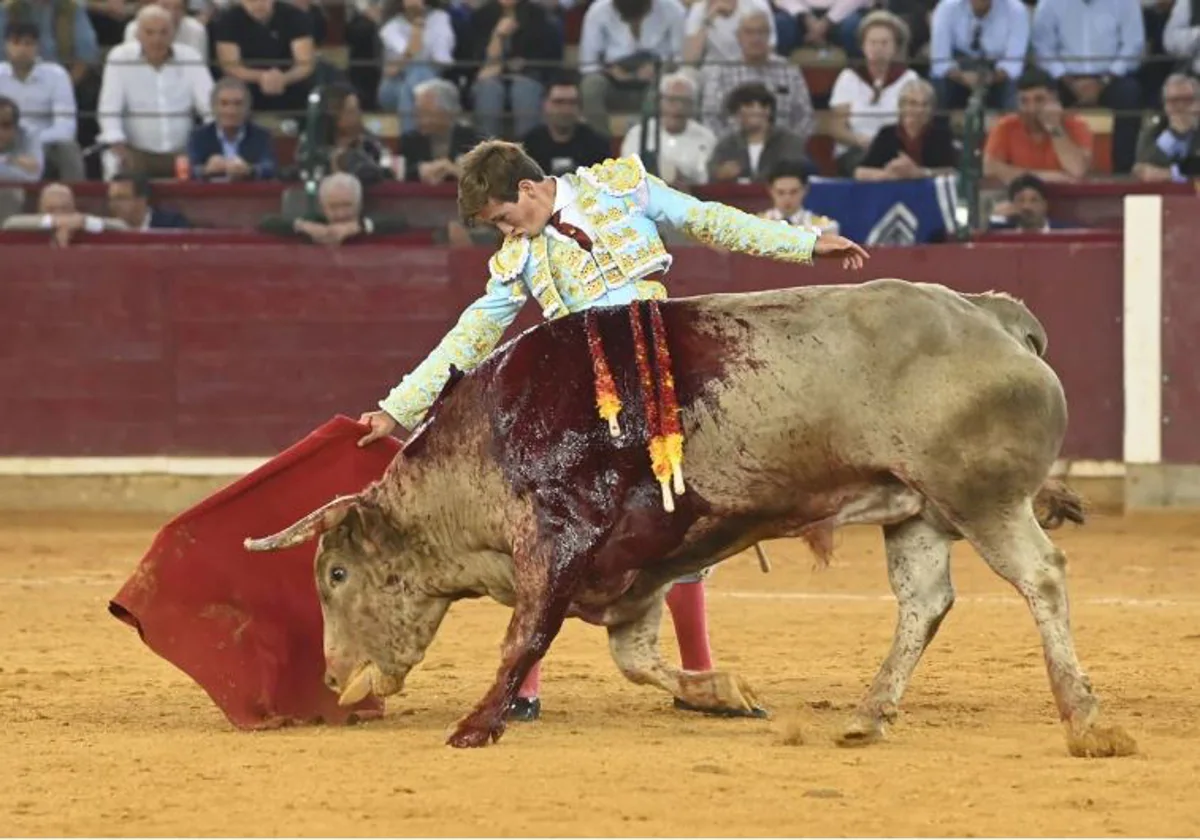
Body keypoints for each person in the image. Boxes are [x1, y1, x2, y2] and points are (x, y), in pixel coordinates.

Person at [355, 139, 868, 721]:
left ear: (528, 190)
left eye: (504, 217)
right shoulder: (517, 257)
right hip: (581, 398)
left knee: (681, 516)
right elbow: (471, 334)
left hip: (659, 375)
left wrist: (804, 245)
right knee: (551, 530)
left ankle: (695, 675)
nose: (508, 232)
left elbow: (707, 220)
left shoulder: (621, 186)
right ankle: (524, 685)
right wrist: (399, 408)